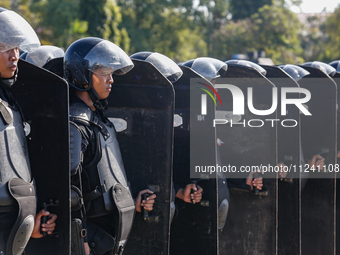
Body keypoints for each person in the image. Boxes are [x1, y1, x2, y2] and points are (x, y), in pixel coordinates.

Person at [64, 37, 156, 255]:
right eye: (104, 72)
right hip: (91, 240)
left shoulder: (97, 119)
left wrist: (131, 200)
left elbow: (103, 179)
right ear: (82, 75)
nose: (111, 79)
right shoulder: (75, 123)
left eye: (112, 73)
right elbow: (70, 191)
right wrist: (81, 239)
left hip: (108, 238)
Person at [0, 8, 57, 255]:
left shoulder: (10, 102)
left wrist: (30, 220)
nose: (15, 55)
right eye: (5, 47)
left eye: (16, 47)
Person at [129, 51, 203, 211]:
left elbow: (160, 171)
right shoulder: (128, 122)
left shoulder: (160, 120)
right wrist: (131, 199)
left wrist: (180, 192)